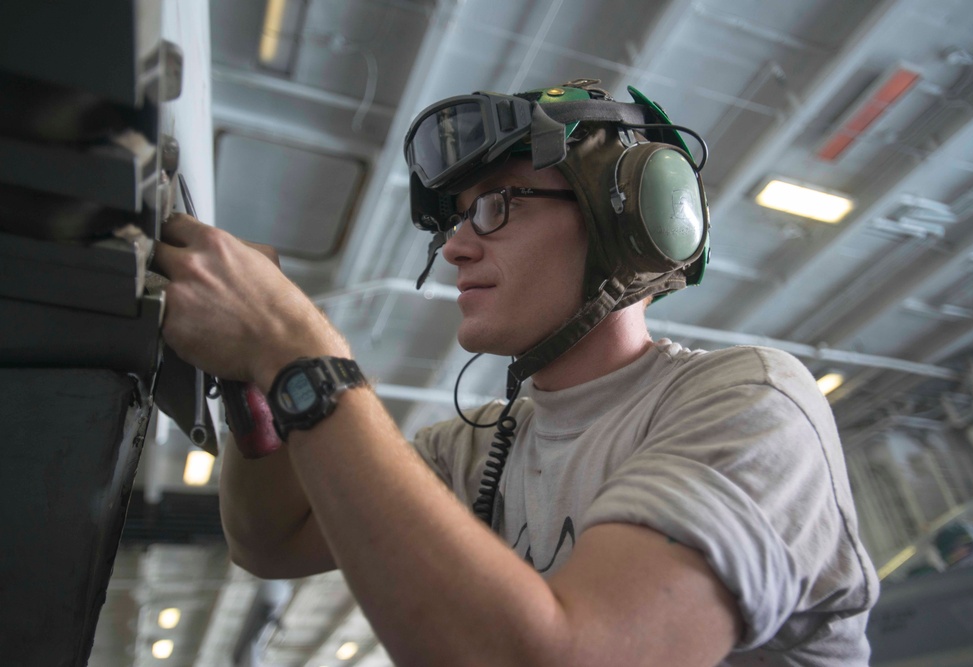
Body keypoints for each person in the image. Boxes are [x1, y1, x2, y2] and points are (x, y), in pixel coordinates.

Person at [154, 79, 879, 666]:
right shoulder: (469, 452)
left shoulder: (748, 400)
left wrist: (293, 344)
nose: (454, 250)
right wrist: (253, 376)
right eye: (454, 220)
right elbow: (269, 538)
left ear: (626, 219)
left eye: (495, 206)